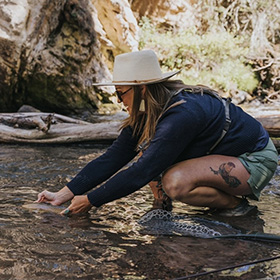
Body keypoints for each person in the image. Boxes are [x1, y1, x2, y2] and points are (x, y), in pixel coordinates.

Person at [36, 50, 278, 217]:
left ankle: (237, 207)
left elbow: (141, 172)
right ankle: (165, 207)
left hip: (255, 160)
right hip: (225, 159)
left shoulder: (182, 115)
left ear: (141, 89)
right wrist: (63, 194)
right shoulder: (148, 109)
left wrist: (91, 200)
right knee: (149, 155)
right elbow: (114, 157)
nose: (119, 101)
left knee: (174, 181)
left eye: (121, 93)